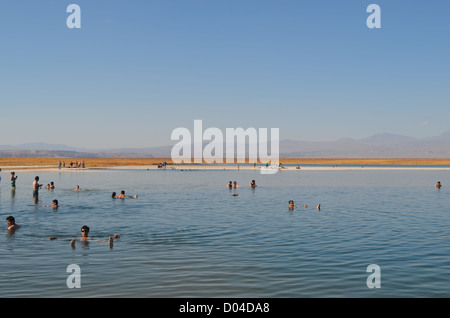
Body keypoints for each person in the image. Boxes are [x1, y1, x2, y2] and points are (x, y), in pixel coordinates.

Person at [50, 225, 120, 248]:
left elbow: (102, 237)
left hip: (90, 240)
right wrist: (56, 238)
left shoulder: (91, 237)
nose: (84, 232)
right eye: (83, 231)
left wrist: (114, 236)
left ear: (88, 231)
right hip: (80, 242)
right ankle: (73, 245)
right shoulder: (79, 237)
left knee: (98, 240)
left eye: (85, 231)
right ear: (81, 232)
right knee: (74, 240)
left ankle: (108, 243)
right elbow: (66, 238)